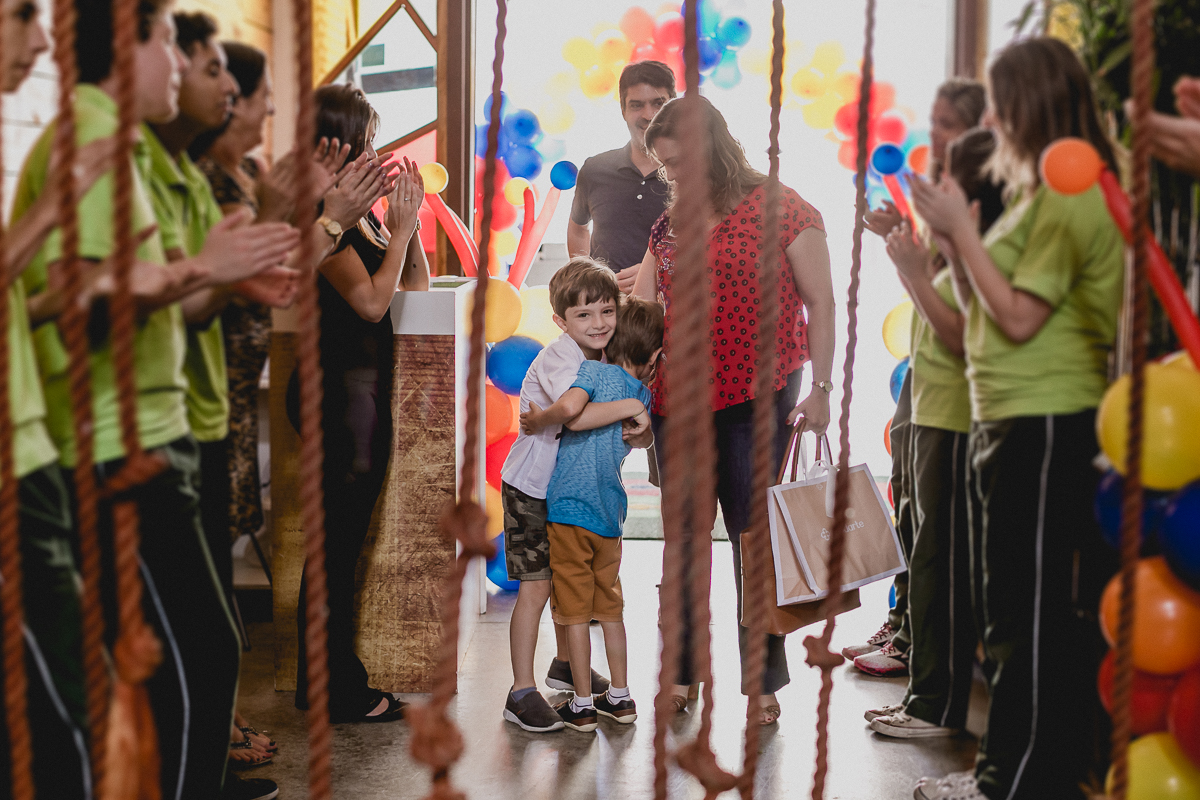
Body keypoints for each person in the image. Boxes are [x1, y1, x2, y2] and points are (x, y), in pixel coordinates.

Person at [17, 2, 301, 797]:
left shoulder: (125, 147)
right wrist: (195, 272)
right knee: (185, 661)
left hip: (153, 433)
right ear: (128, 47)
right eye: (172, 49)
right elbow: (80, 298)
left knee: (199, 654)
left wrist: (211, 271)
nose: (180, 67)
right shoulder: (98, 144)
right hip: (114, 442)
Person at [911, 37, 1123, 800]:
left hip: (1046, 421)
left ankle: (1019, 781)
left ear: (1032, 103)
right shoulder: (1038, 193)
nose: (992, 118)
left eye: (1001, 102)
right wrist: (949, 244)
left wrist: (961, 236)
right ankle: (1009, 772)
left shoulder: (1074, 191)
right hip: (1003, 416)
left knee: (1025, 617)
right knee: (1006, 610)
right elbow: (982, 318)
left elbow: (1022, 318)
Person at [631, 96, 835, 725]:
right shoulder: (669, 225)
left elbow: (821, 303)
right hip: (678, 402)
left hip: (758, 394)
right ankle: (684, 673)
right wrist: (632, 388)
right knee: (684, 543)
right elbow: (645, 309)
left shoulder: (784, 208)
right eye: (667, 168)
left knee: (754, 541)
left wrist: (823, 389)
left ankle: (761, 684)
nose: (676, 178)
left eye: (683, 163)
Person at [0, 0, 134, 796]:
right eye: (21, 16)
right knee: (71, 699)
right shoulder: (75, 145)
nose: (42, 38)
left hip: (31, 436)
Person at [289, 83, 429, 724]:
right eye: (367, 142)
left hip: (364, 391)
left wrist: (409, 223)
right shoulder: (318, 214)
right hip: (334, 392)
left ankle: (331, 683)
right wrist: (393, 230)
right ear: (335, 145)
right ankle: (332, 690)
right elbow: (371, 302)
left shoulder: (360, 214)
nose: (376, 155)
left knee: (345, 545)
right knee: (336, 548)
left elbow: (414, 286)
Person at [864, 128, 1005, 739]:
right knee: (922, 553)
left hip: (954, 418)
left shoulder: (986, 249)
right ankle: (925, 692)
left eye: (948, 177)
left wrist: (914, 271)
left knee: (938, 562)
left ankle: (934, 704)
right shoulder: (956, 247)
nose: (935, 185)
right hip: (929, 412)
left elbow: (960, 335)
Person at [846, 78, 986, 678]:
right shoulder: (942, 197)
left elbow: (954, 293)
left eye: (949, 122)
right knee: (907, 509)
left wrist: (909, 261)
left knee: (932, 528)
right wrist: (897, 238)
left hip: (953, 385)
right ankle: (904, 624)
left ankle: (920, 651)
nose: (938, 136)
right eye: (935, 121)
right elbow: (935, 273)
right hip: (923, 376)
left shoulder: (975, 202)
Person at [498, 258, 650, 733]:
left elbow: (632, 435)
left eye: (607, 311)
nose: (599, 323)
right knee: (538, 586)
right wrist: (633, 404)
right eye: (585, 315)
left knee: (573, 586)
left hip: (574, 497)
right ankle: (521, 690)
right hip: (533, 489)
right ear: (562, 321)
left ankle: (566, 666)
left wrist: (640, 430)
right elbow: (576, 417)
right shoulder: (561, 358)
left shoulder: (605, 360)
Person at [192, 42, 282, 564]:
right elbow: (261, 270)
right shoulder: (207, 178)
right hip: (211, 386)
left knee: (224, 535)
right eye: (263, 96)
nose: (270, 109)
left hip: (240, 391)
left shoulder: (251, 170)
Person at [567, 60, 674, 293]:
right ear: (623, 111)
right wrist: (587, 280)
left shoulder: (693, 176)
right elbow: (578, 228)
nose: (649, 115)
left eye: (659, 103)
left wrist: (657, 271)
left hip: (671, 314)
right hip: (606, 316)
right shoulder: (595, 170)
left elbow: (711, 247)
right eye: (636, 105)